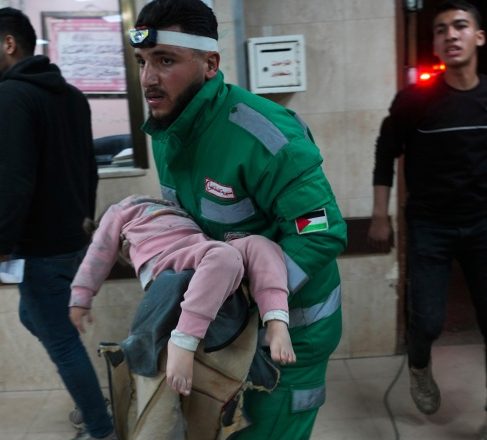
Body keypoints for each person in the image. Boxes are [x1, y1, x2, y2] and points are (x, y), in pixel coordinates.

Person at [128, 1, 347, 438]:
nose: (149, 78)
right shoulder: (167, 133)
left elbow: (320, 231)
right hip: (227, 327)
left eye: (165, 60)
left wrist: (240, 296)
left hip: (291, 333)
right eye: (142, 61)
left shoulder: (266, 136)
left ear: (210, 64)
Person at [368, 0, 487, 435]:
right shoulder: (414, 101)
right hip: (430, 226)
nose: (451, 34)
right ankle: (419, 364)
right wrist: (380, 214)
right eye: (441, 29)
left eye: (461, 26)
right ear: (435, 44)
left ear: (479, 37)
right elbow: (385, 153)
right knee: (428, 319)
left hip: (483, 225)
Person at [0, 8, 116, 440]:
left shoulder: (11, 96)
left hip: (42, 247)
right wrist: (86, 222)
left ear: (9, 43)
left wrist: (2, 241)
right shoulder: (71, 96)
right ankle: (93, 404)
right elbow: (90, 169)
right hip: (73, 239)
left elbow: (12, 180)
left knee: (61, 340)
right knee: (36, 317)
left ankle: (100, 427)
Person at [69, 194, 296, 396]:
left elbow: (99, 251)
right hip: (170, 257)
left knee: (260, 244)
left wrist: (80, 296)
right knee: (225, 256)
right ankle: (183, 341)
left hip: (203, 250)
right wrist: (82, 296)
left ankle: (276, 320)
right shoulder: (147, 217)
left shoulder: (120, 210)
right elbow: (101, 254)